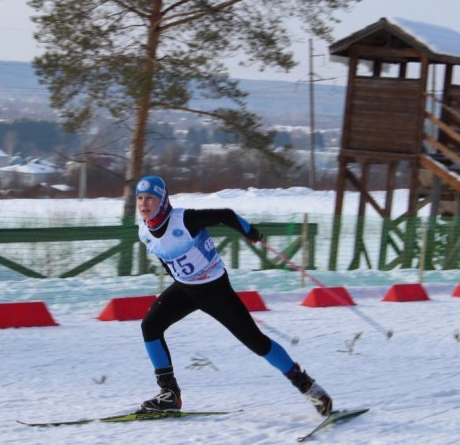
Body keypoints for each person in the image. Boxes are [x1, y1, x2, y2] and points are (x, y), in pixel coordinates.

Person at [134, 175, 332, 416]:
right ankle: (169, 394)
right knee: (150, 326)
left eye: (151, 198)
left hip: (215, 290)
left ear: (163, 200)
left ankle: (308, 387)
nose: (144, 204)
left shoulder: (185, 220)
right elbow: (168, 261)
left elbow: (226, 215)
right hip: (185, 289)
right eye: (140, 198)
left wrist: (249, 231)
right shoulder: (144, 232)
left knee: (257, 342)